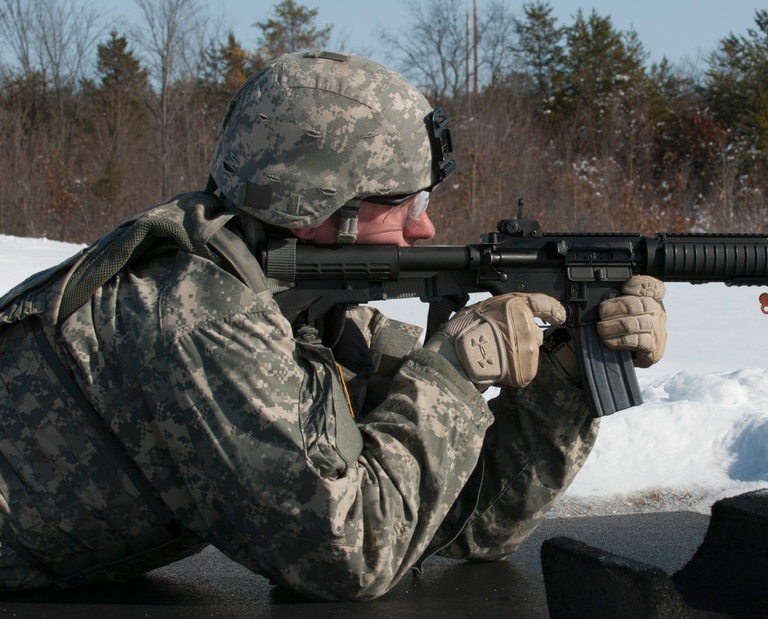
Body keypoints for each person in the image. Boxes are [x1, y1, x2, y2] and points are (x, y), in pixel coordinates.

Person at [0, 51, 666, 601]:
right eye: (405, 201)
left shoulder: (308, 315)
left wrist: (565, 380)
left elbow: (460, 524)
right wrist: (452, 375)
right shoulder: (200, 317)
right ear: (315, 203)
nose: (425, 226)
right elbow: (348, 558)